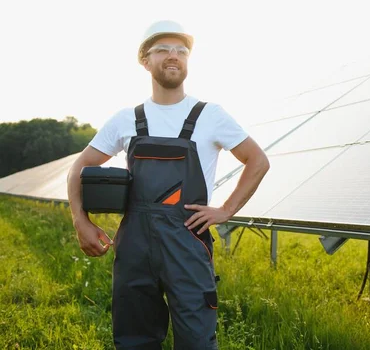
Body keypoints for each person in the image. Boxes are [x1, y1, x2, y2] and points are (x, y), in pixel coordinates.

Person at [67, 20, 270, 349]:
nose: (173, 56)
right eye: (162, 49)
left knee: (197, 341)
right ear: (145, 61)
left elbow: (258, 161)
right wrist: (81, 221)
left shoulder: (210, 115)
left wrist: (226, 210)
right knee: (135, 339)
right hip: (134, 245)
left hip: (187, 241)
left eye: (181, 50)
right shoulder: (126, 119)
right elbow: (80, 166)